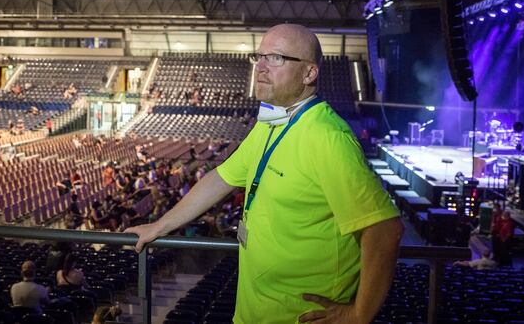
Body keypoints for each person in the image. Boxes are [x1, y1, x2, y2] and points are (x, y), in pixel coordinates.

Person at [126, 24, 403, 323]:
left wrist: (359, 315)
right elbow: (221, 178)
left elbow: (385, 229)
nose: (261, 66)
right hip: (254, 313)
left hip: (298, 316)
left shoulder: (327, 137)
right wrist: (160, 225)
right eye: (259, 56)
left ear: (309, 74)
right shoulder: (271, 123)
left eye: (277, 58)